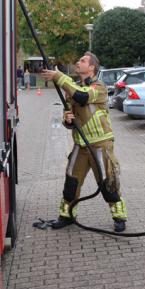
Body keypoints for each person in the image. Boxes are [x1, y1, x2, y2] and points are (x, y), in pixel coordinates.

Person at [41, 52, 128, 232]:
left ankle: (119, 217)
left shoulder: (99, 87)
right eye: (78, 60)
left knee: (107, 183)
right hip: (80, 145)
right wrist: (68, 120)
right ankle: (67, 215)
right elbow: (69, 120)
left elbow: (82, 97)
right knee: (71, 182)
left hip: (100, 144)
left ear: (92, 68)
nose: (77, 62)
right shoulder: (72, 89)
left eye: (82, 61)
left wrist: (58, 76)